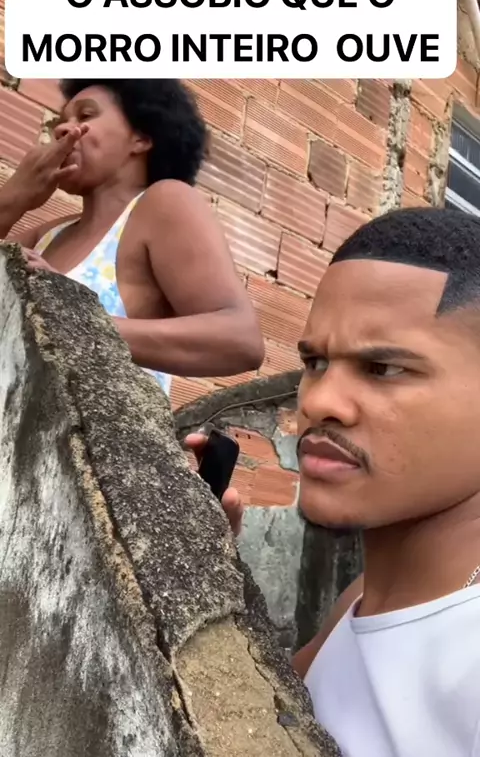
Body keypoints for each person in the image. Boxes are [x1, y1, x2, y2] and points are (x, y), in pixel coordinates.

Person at [187, 206, 480, 757]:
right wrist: (208, 570)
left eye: (383, 369)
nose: (319, 402)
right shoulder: (361, 600)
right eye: (316, 362)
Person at [0, 79, 264, 394]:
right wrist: (11, 200)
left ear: (141, 137)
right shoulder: (47, 236)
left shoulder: (164, 203)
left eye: (85, 116)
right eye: (61, 121)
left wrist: (73, 318)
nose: (62, 129)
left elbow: (240, 340)